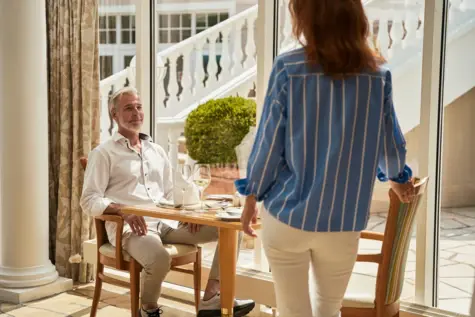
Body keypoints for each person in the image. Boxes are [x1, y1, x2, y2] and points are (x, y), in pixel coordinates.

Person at [236, 0, 415, 316]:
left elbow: (268, 145)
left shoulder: (288, 68)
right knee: (329, 310)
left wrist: (252, 196)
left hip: (287, 216)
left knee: (293, 311)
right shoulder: (377, 76)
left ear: (306, 18)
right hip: (343, 220)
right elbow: (391, 148)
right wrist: (399, 178)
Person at [80, 87, 255, 317]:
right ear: (114, 115)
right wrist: (124, 212)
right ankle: (148, 311)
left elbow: (173, 191)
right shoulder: (104, 153)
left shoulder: (156, 150)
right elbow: (89, 199)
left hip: (167, 224)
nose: (136, 113)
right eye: (128, 108)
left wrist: (190, 214)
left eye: (139, 107)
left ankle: (212, 296)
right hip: (132, 230)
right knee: (159, 257)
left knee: (233, 227)